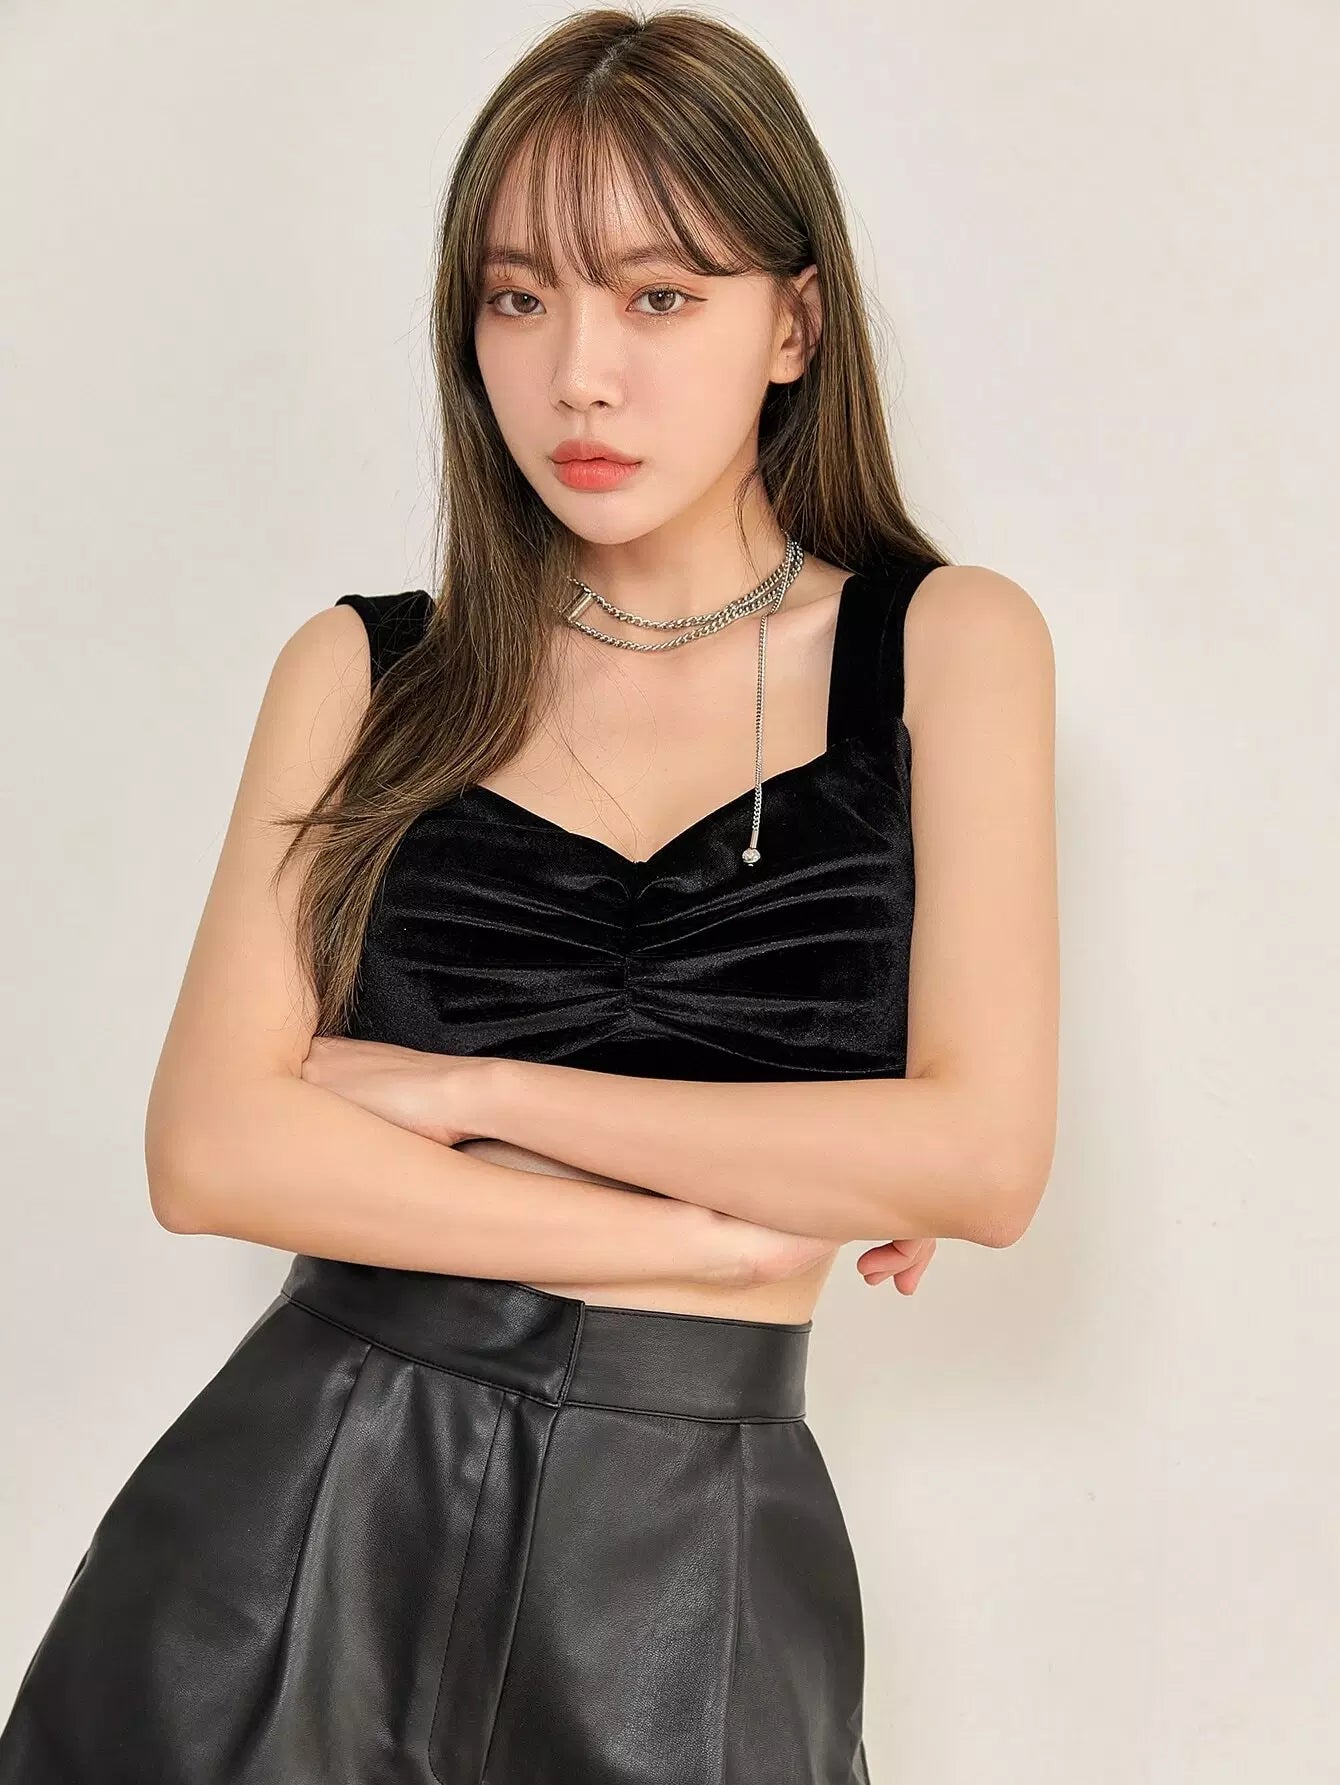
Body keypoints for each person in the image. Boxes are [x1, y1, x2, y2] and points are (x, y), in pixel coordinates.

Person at [0, 7, 1058, 1782]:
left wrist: (466, 1093)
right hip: (297, 1532)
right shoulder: (365, 671)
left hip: (693, 1554)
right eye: (518, 298)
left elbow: (984, 1158)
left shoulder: (951, 645)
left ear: (793, 322)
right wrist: (713, 1234)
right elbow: (212, 1151)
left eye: (660, 296)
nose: (579, 374)